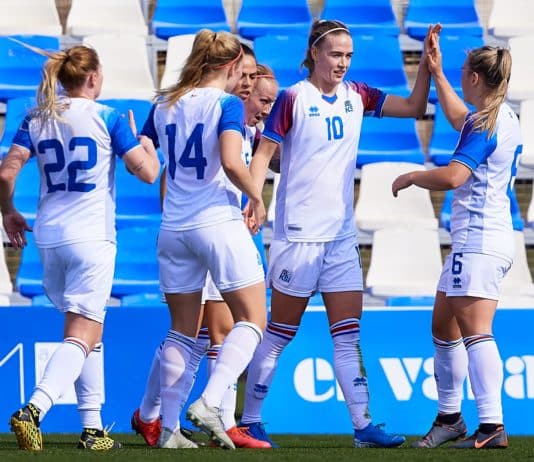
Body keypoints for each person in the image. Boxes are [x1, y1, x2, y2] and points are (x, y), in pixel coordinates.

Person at [238, 19, 439, 448]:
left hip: (341, 240)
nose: (343, 62)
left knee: (347, 334)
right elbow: (264, 154)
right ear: (315, 53)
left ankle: (363, 426)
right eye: (335, 54)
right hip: (298, 237)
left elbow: (414, 107)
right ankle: (250, 420)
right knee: (280, 333)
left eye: (348, 55)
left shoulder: (357, 95)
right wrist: (255, 199)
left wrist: (426, 65)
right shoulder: (293, 97)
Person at [2, 44, 160, 451]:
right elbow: (147, 174)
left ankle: (92, 430)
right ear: (92, 77)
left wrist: (8, 212)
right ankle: (33, 409)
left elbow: (6, 173)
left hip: (49, 239)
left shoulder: (37, 116)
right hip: (90, 237)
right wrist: (145, 143)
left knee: (89, 331)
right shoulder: (108, 117)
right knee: (82, 332)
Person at [131, 62, 278, 450]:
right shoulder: (219, 111)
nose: (264, 107)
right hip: (208, 228)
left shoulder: (243, 126)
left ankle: (167, 419)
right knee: (206, 330)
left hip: (207, 230)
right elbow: (174, 174)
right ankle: (184, 416)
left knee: (202, 332)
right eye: (260, 96)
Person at [392, 33, 519, 450]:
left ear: (476, 79)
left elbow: (454, 176)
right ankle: (450, 418)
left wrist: (413, 176)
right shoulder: (498, 116)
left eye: (463, 73)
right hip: (477, 240)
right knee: (443, 329)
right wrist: (437, 71)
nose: (462, 78)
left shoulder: (485, 123)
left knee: (476, 332)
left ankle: (492, 424)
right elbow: (456, 115)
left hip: (479, 240)